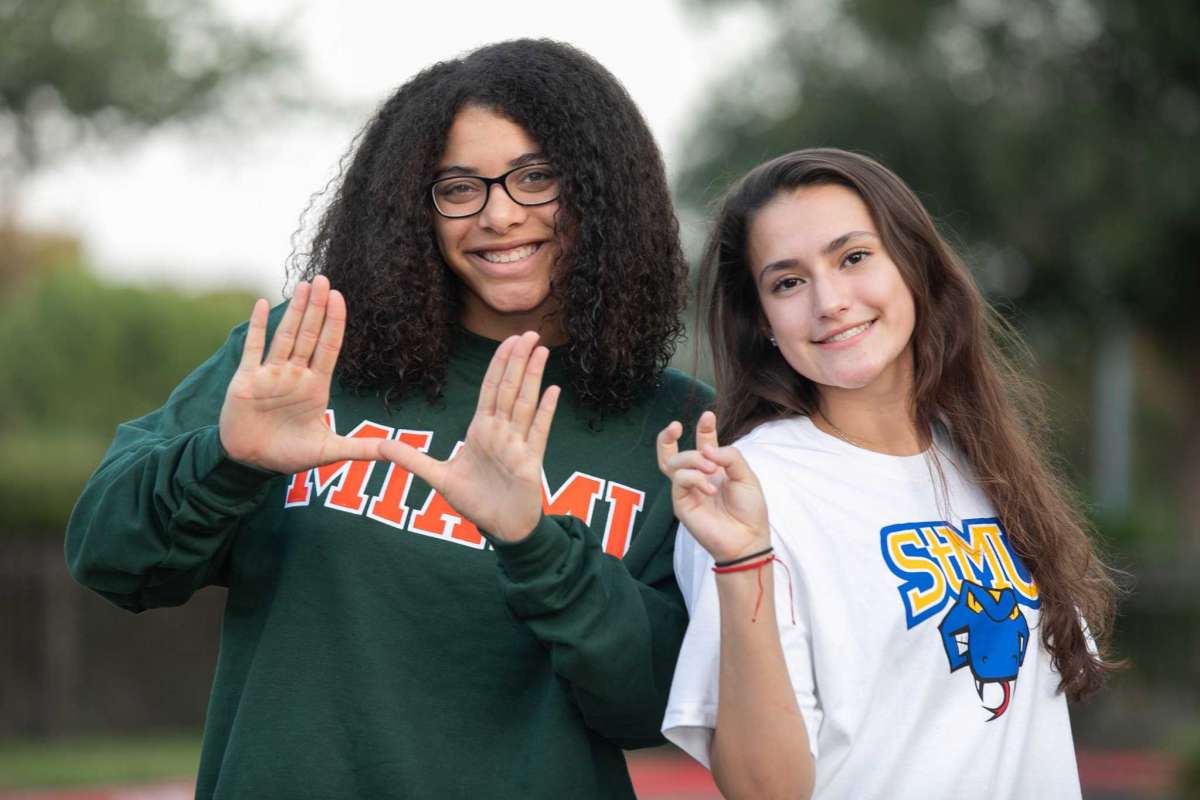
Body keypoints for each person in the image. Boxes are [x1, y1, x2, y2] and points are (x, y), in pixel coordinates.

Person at [66, 39, 709, 800]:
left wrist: (537, 546)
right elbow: (112, 560)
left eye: (537, 177)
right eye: (458, 187)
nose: (499, 215)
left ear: (604, 189)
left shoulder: (674, 423)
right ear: (414, 207)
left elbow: (653, 707)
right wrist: (230, 462)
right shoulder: (303, 360)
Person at [656, 149, 1120, 799]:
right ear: (762, 319)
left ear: (912, 264)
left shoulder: (983, 460)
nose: (830, 302)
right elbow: (765, 790)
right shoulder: (748, 491)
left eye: (853, 257)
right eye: (788, 282)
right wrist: (742, 563)